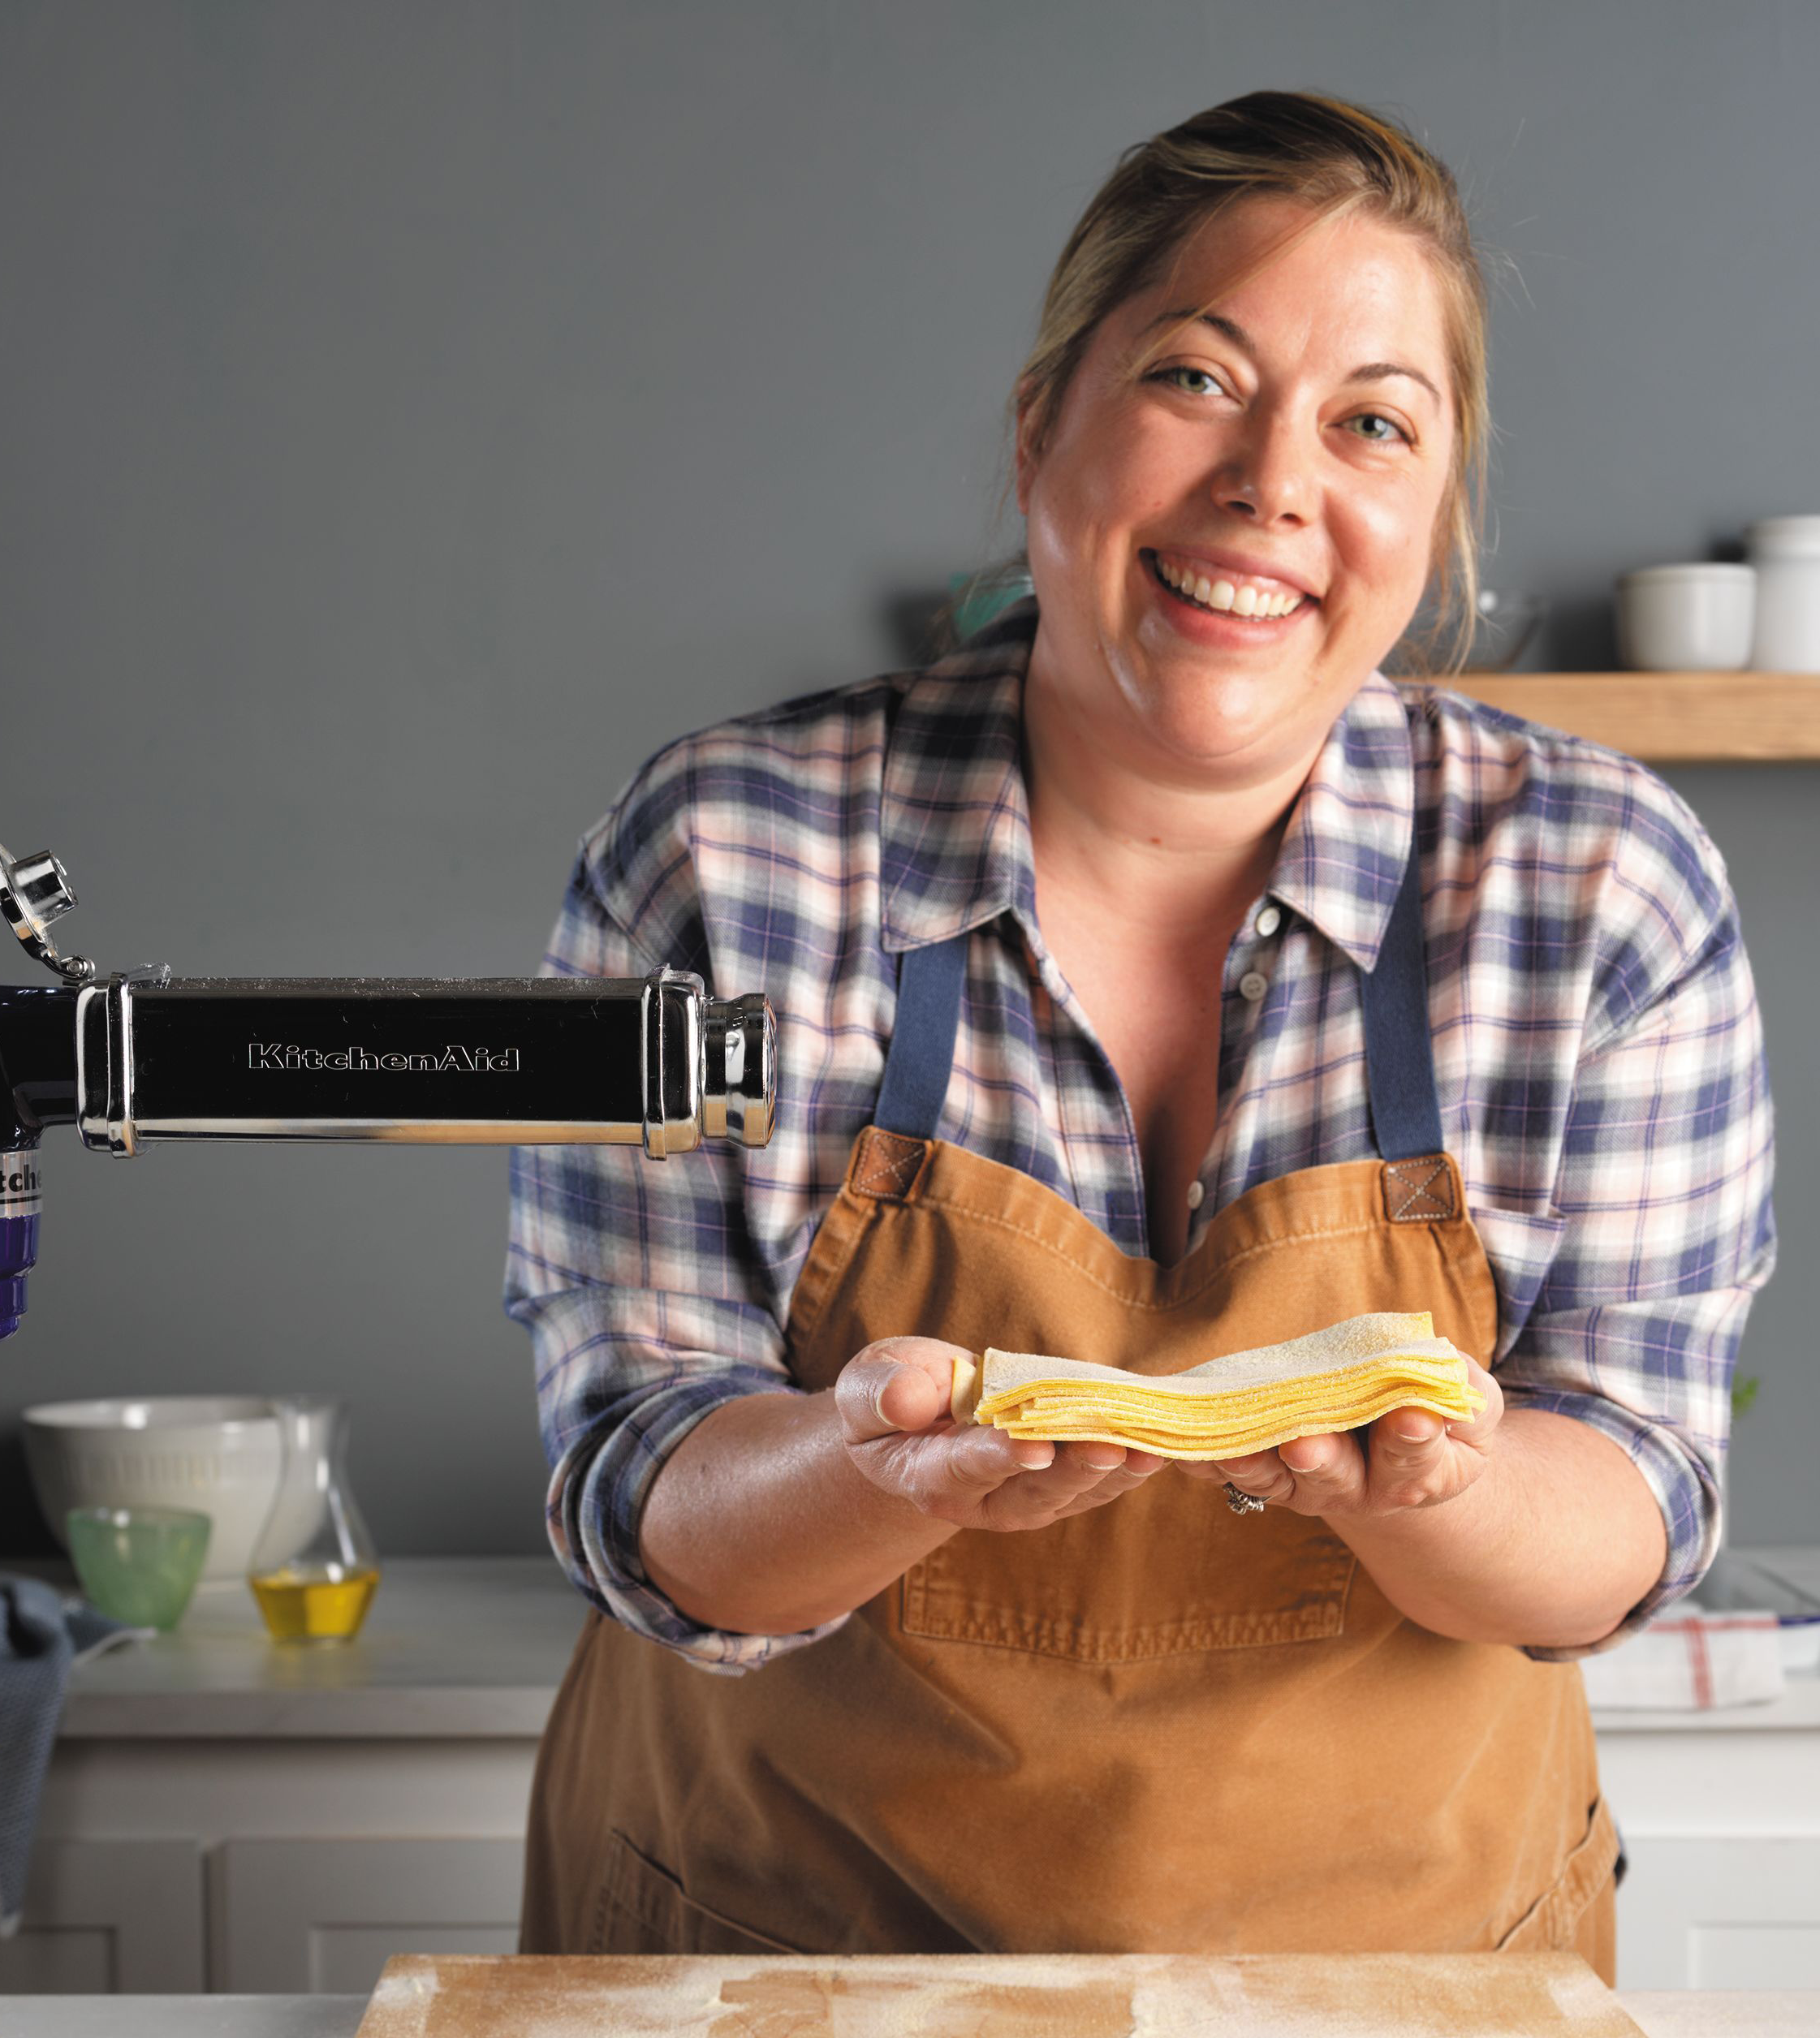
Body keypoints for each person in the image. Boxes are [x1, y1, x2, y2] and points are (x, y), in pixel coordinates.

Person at [504, 89, 1775, 1978]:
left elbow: (1636, 1485)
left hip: (1401, 1971)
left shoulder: (1597, 887)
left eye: (1370, 423)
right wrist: (871, 1476)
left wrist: (1443, 1482)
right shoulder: (723, 847)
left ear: (1430, 524)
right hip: (778, 1953)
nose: (1273, 482)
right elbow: (636, 1463)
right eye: (1196, 376)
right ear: (1041, 433)